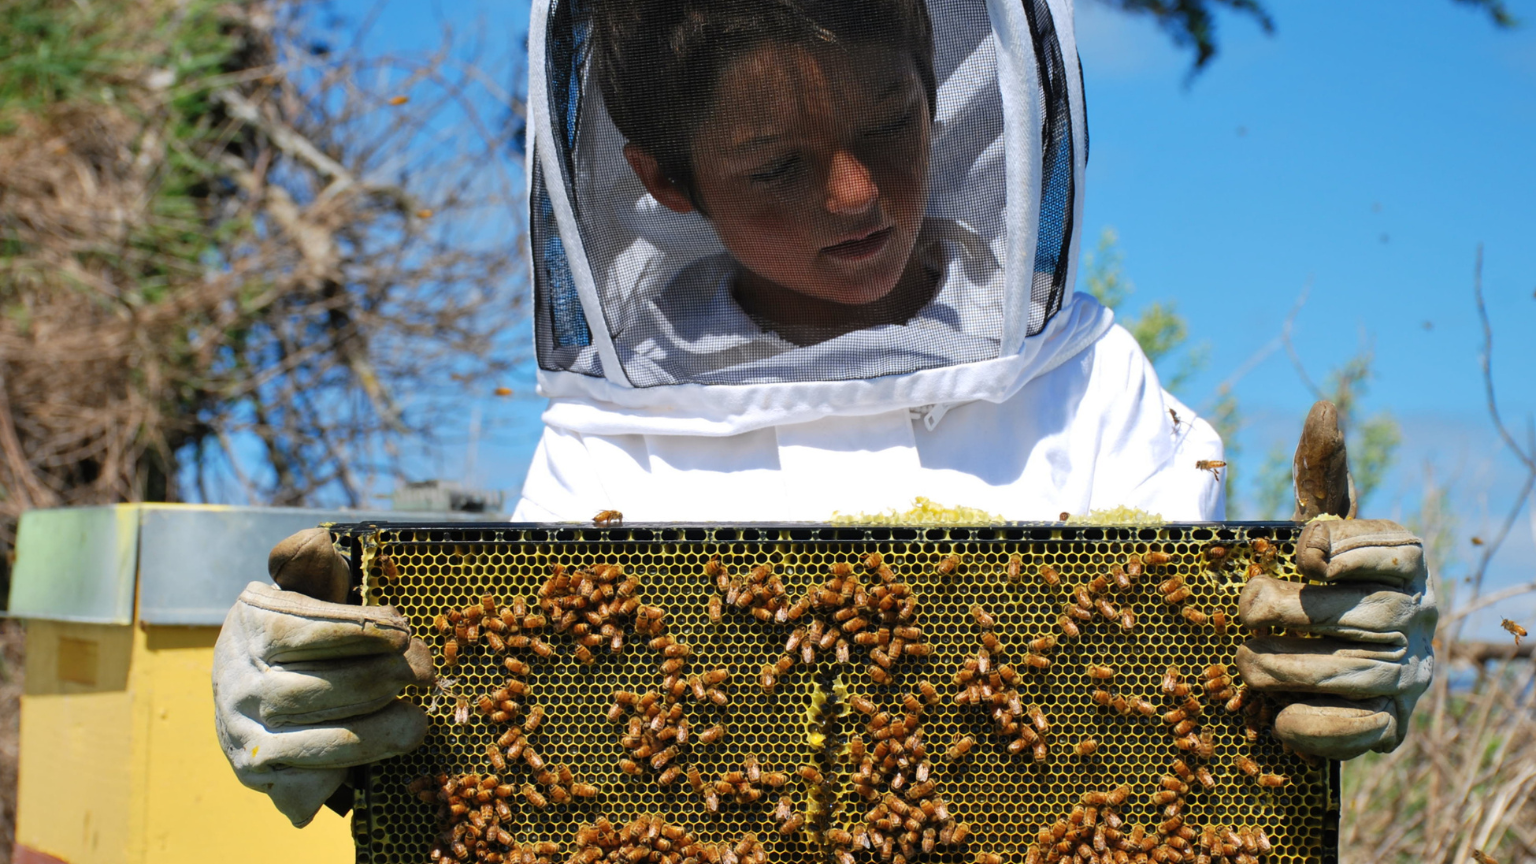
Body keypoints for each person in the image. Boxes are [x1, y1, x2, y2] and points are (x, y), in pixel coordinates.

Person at [211, 0, 1437, 828]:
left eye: (889, 125)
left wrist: (1344, 657)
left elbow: (1217, 694)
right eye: (776, 167)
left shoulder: (1084, 386)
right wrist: (325, 706)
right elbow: (501, 738)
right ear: (665, 179)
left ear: (942, 90)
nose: (855, 195)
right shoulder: (608, 452)